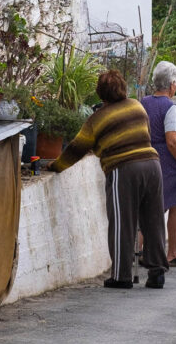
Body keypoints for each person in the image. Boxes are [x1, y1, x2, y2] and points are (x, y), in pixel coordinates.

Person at [47, 69, 169, 290]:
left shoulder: (97, 119)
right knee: (153, 220)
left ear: (100, 93)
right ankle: (157, 272)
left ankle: (122, 276)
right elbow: (146, 133)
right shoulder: (137, 106)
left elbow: (76, 149)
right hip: (152, 165)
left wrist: (55, 166)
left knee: (123, 222)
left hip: (123, 169)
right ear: (123, 87)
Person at [141, 60, 176, 267]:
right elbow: (171, 139)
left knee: (149, 208)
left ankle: (141, 252)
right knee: (175, 204)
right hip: (168, 163)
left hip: (147, 157)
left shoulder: (143, 102)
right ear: (171, 84)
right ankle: (172, 253)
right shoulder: (170, 107)